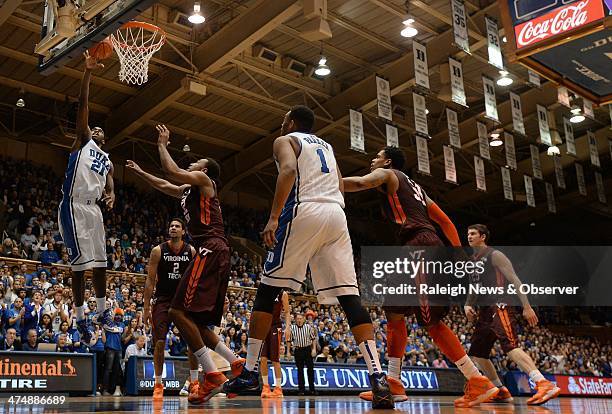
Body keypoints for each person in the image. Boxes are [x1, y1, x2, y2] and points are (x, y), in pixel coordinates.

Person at [222, 106, 393, 409]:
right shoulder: (327, 146)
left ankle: (249, 372)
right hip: (337, 215)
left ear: (290, 122)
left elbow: (288, 171)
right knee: (350, 298)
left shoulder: (285, 140)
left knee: (267, 289)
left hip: (305, 209)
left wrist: (274, 217)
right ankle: (378, 377)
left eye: (283, 119)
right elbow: (340, 185)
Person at [343, 146, 498, 407]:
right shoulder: (417, 189)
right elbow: (447, 222)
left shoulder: (389, 174)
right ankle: (393, 381)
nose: (373, 160)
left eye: (377, 156)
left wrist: (323, 181)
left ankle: (477, 380)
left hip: (420, 247)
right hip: (420, 246)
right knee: (393, 310)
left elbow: (359, 183)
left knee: (431, 322)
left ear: (388, 161)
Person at [126, 126, 243, 404]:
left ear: (205, 170)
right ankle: (234, 362)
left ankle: (212, 374)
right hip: (217, 251)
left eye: (197, 162)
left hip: (210, 248)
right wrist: (142, 173)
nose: (194, 163)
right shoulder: (188, 190)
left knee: (178, 311)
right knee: (195, 321)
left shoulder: (204, 180)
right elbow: (166, 184)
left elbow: (172, 171)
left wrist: (162, 145)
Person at [464, 224, 560, 405]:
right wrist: (468, 305)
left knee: (510, 345)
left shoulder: (495, 255)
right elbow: (474, 286)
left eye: (473, 234)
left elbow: (515, 280)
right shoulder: (471, 261)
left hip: (500, 304)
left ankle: (543, 383)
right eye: (468, 234)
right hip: (484, 310)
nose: (469, 237)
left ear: (483, 236)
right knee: (477, 353)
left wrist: (527, 306)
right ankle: (500, 390)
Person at [57, 51, 115, 344]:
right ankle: (80, 319)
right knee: (80, 268)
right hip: (74, 206)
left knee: (102, 263)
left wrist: (112, 192)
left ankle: (103, 312)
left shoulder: (106, 158)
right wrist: (88, 72)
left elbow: (111, 178)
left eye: (101, 128)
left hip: (95, 211)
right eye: (95, 126)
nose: (97, 128)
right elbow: (84, 105)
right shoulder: (83, 141)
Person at [143, 219, 200, 401]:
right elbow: (150, 280)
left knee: (192, 342)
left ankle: (194, 382)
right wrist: (145, 307)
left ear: (183, 231)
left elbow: (197, 279)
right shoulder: (158, 251)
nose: (173, 228)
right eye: (171, 226)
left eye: (177, 226)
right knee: (159, 342)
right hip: (163, 300)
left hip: (184, 302)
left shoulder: (191, 251)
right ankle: (158, 384)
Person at [260, 290, 289, 398]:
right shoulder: (265, 290)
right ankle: (265, 387)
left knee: (275, 359)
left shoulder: (283, 293)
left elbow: (287, 312)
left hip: (275, 326)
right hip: (263, 326)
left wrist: (288, 327)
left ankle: (278, 388)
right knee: (263, 358)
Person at [287, 314, 317, 396]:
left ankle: (312, 389)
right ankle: (301, 390)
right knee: (300, 370)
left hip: (307, 349)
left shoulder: (308, 327)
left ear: (304, 319)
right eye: (298, 319)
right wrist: (288, 352)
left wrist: (314, 349)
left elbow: (313, 339)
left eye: (301, 319)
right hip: (298, 350)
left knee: (310, 369)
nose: (299, 320)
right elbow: (289, 340)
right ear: (295, 320)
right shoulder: (292, 328)